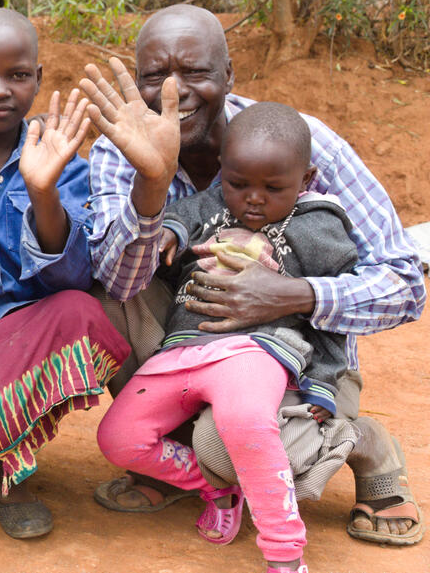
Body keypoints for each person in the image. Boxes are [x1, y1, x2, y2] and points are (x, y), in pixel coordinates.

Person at [84, 4, 425, 545]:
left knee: (229, 448)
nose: (175, 92)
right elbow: (119, 282)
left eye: (195, 72)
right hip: (186, 345)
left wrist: (290, 294)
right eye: (155, 77)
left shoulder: (303, 144)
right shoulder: (118, 149)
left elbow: (405, 284)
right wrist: (151, 183)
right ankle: (171, 441)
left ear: (229, 75)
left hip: (293, 357)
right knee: (97, 296)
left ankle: (361, 440)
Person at [98, 102, 359, 573]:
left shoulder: (321, 228)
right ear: (224, 173)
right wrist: (172, 231)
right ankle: (214, 488)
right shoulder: (214, 203)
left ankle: (284, 553)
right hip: (181, 350)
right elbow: (183, 211)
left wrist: (323, 381)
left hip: (254, 350)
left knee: (245, 426)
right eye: (239, 184)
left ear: (306, 180)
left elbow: (329, 316)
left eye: (272, 188)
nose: (252, 199)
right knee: (119, 437)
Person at [0, 9, 130, 538]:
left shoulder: (64, 160)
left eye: (17, 75)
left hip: (26, 335)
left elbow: (71, 279)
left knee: (83, 311)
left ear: (38, 80)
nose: (0, 90)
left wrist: (43, 191)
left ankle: (7, 474)